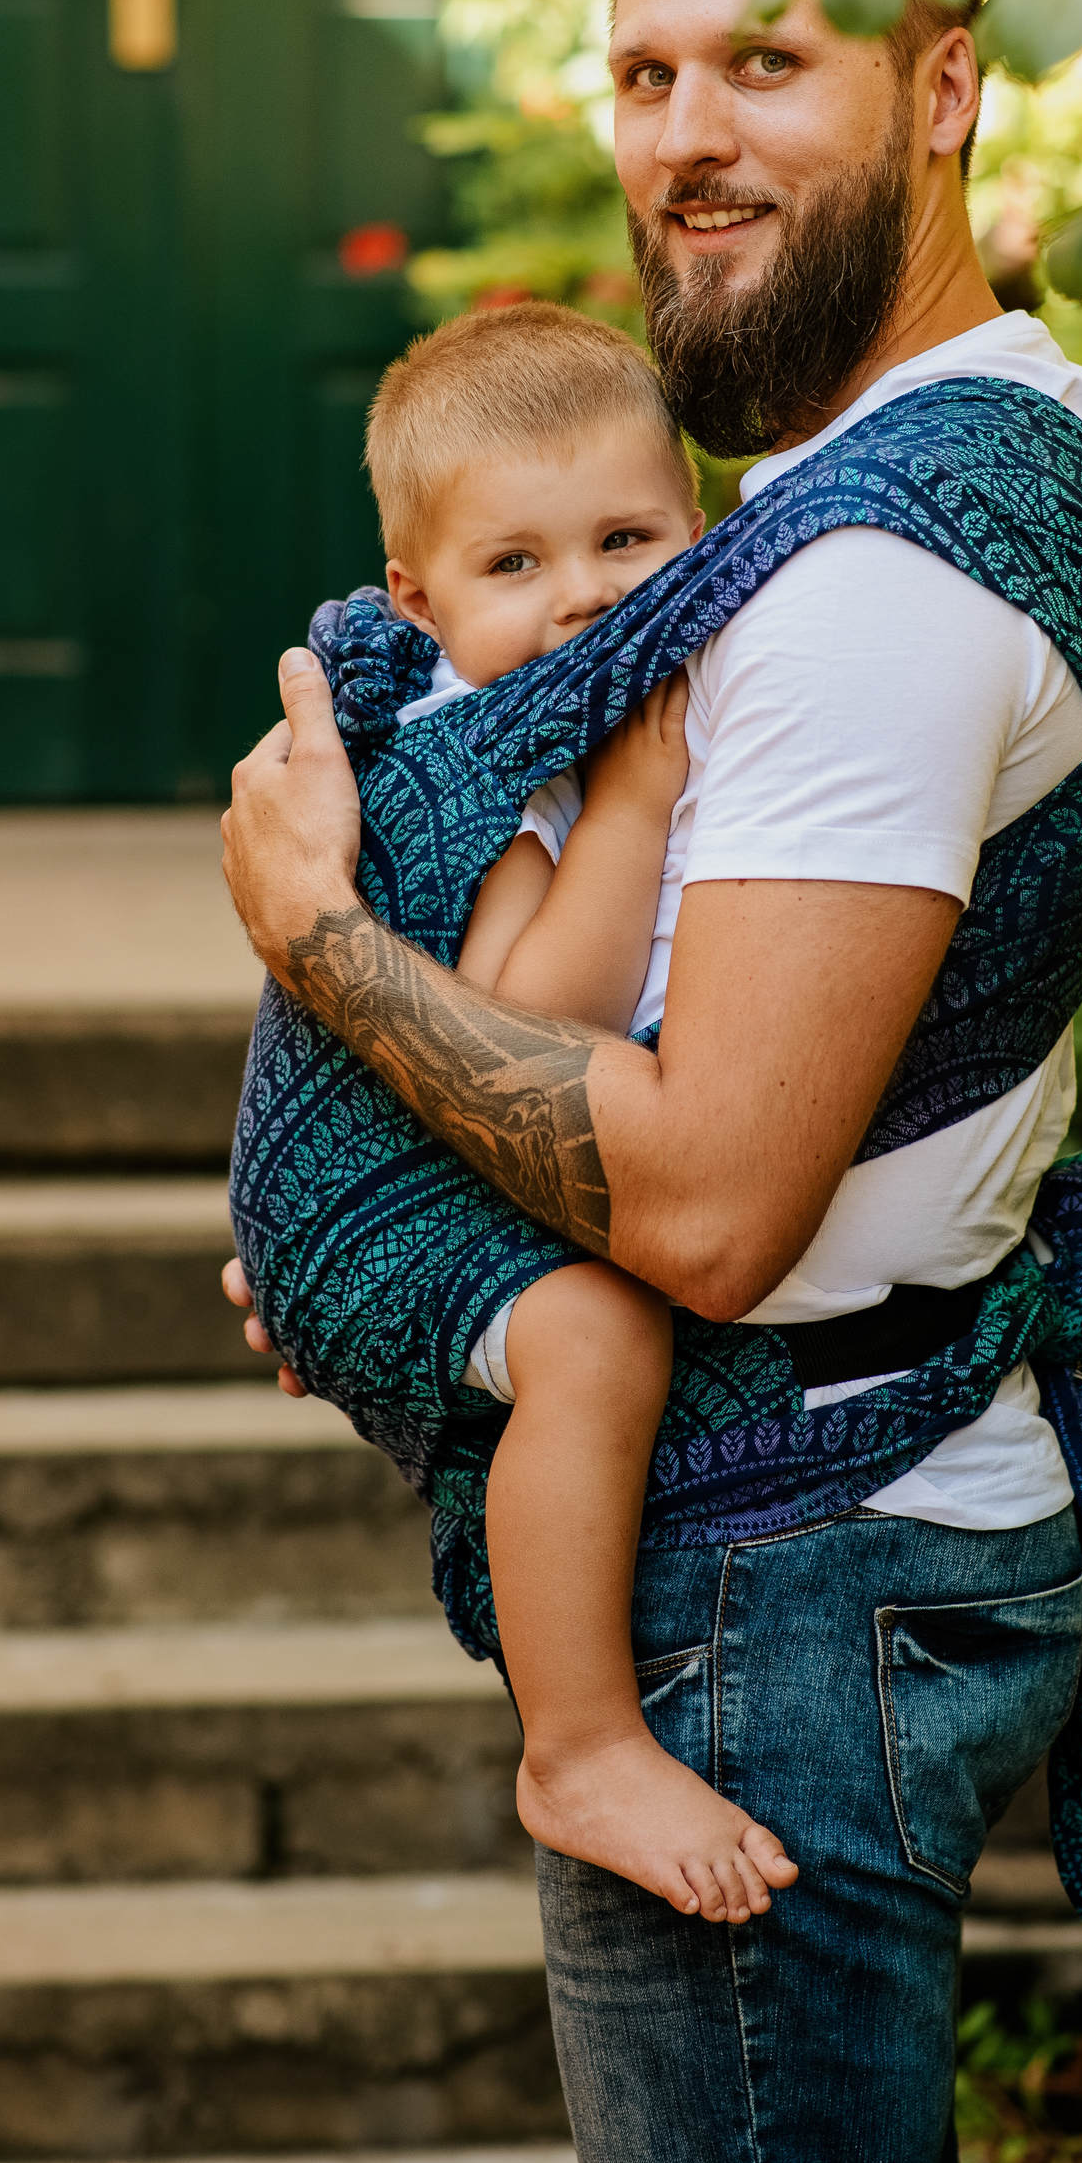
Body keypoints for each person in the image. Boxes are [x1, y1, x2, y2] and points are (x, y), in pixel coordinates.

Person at [219, 0, 1082, 2163]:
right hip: (853, 1519)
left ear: (946, 92)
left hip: (788, 1580)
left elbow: (717, 1209)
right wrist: (400, 1227)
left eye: (769, 63)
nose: (686, 137)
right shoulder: (1020, 430)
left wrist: (316, 942)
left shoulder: (862, 590)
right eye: (647, 73)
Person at [359, 302, 797, 1924]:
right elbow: (537, 1026)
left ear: (703, 520)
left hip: (492, 1178)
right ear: (421, 602)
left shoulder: (650, 686)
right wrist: (629, 801)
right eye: (515, 565)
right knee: (597, 1339)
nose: (583, 597)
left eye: (626, 537)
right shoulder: (479, 757)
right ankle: (580, 1743)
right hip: (428, 1193)